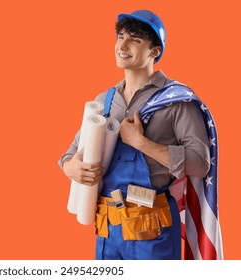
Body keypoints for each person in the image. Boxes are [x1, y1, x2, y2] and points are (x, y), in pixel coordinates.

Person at [59, 10, 222, 260]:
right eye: (120, 36)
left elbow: (200, 164)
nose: (122, 45)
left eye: (134, 39)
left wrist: (140, 142)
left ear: (155, 51)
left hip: (151, 230)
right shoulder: (105, 101)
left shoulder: (177, 101)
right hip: (107, 227)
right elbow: (70, 154)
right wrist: (70, 167)